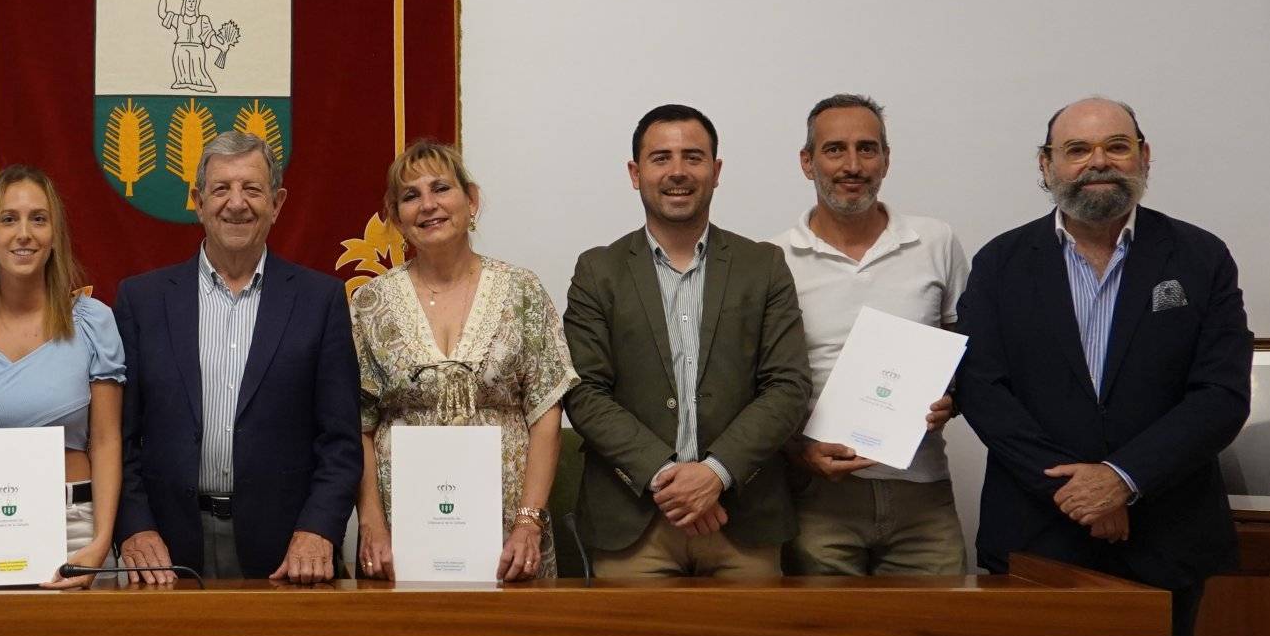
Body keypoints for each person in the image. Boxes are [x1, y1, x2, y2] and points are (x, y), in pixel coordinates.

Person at [956, 96, 1251, 636]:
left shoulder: (1200, 258)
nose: (1098, 163)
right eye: (1078, 149)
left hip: (1166, 538)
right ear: (1046, 165)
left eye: (1115, 147)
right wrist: (1078, 490)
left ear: (1144, 158)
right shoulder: (1000, 262)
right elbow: (983, 388)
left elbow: (1221, 394)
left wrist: (1123, 479)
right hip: (1037, 542)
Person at [563, 104, 811, 578]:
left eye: (693, 157)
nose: (678, 172)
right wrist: (669, 479)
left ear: (716, 172)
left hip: (743, 518)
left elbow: (788, 386)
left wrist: (715, 474)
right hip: (634, 522)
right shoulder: (598, 271)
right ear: (636, 173)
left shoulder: (764, 266)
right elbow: (583, 391)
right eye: (661, 158)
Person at [113, 131, 361, 585]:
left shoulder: (319, 300)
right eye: (221, 188)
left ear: (278, 202)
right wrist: (135, 526)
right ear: (197, 199)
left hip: (288, 551)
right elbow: (118, 436)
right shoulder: (142, 300)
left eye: (252, 188)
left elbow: (341, 441)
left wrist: (318, 527)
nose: (236, 203)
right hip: (165, 551)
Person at [351, 139, 578, 582]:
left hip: (511, 539)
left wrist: (529, 522)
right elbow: (358, 423)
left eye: (441, 189)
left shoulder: (521, 291)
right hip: (402, 539)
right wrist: (372, 525)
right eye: (410, 196)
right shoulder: (370, 303)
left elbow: (547, 412)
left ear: (470, 200)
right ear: (396, 218)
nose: (428, 205)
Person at [776, 94, 971, 574]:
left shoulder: (935, 242)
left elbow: (969, 351)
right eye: (834, 149)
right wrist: (799, 453)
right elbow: (757, 381)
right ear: (807, 162)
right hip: (817, 501)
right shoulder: (772, 258)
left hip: (922, 494)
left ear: (886, 159)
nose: (852, 165)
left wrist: (956, 397)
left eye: (867, 149)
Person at [0, 166, 124, 586]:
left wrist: (101, 539)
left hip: (76, 529)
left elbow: (106, 441)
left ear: (55, 235)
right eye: (8, 218)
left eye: (39, 218)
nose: (24, 234)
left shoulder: (91, 322)